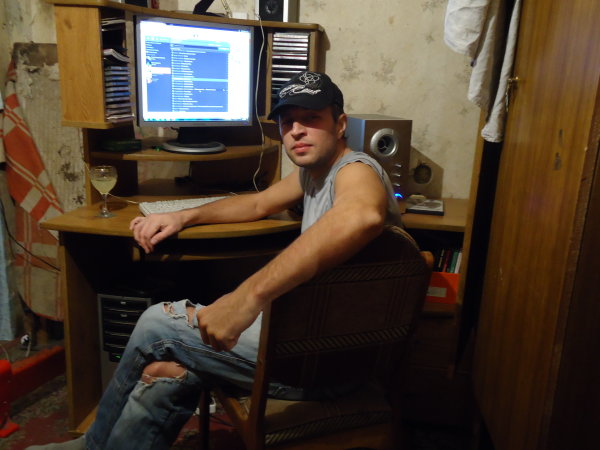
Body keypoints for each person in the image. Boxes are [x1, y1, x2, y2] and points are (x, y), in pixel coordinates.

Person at [28, 71, 402, 450]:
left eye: (311, 118)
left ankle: (91, 445)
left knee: (156, 323)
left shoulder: (356, 169)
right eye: (288, 122)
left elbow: (361, 215)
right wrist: (182, 216)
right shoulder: (313, 172)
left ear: (340, 125)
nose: (296, 131)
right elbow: (257, 204)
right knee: (169, 373)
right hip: (306, 343)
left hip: (325, 364)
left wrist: (246, 298)